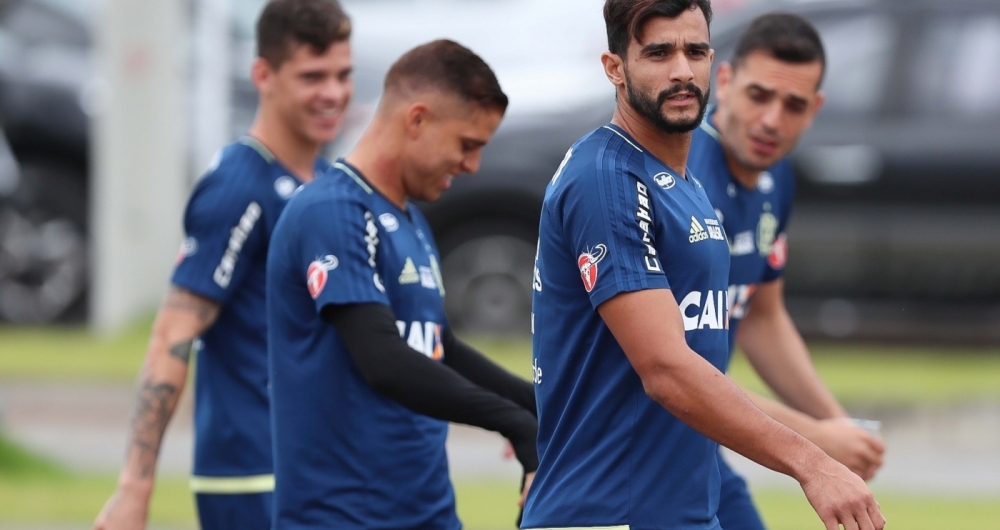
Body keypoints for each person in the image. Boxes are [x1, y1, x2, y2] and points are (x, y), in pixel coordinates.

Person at [522, 1, 886, 529]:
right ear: (614, 67)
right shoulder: (608, 177)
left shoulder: (683, 179)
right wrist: (814, 458)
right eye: (658, 52)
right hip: (611, 510)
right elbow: (667, 368)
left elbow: (756, 318)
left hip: (682, 501)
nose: (681, 71)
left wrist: (830, 427)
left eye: (694, 51)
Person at [93, 1, 353, 529]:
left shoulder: (328, 183)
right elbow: (173, 333)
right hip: (252, 475)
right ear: (264, 75)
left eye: (342, 74)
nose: (333, 92)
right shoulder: (240, 184)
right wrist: (134, 488)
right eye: (312, 76)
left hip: (317, 468)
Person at [266, 39, 538, 529]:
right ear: (417, 120)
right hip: (341, 518)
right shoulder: (333, 211)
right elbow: (385, 362)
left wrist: (538, 404)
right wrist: (512, 422)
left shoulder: (409, 219)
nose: (472, 165)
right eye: (467, 144)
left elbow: (440, 347)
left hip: (427, 513)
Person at [689, 12, 886, 530]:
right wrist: (816, 441)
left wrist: (838, 424)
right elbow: (678, 371)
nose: (772, 120)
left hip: (696, 443)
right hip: (639, 440)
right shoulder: (682, 179)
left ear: (814, 109)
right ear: (725, 81)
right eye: (760, 95)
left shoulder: (776, 175)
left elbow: (760, 316)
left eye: (793, 105)